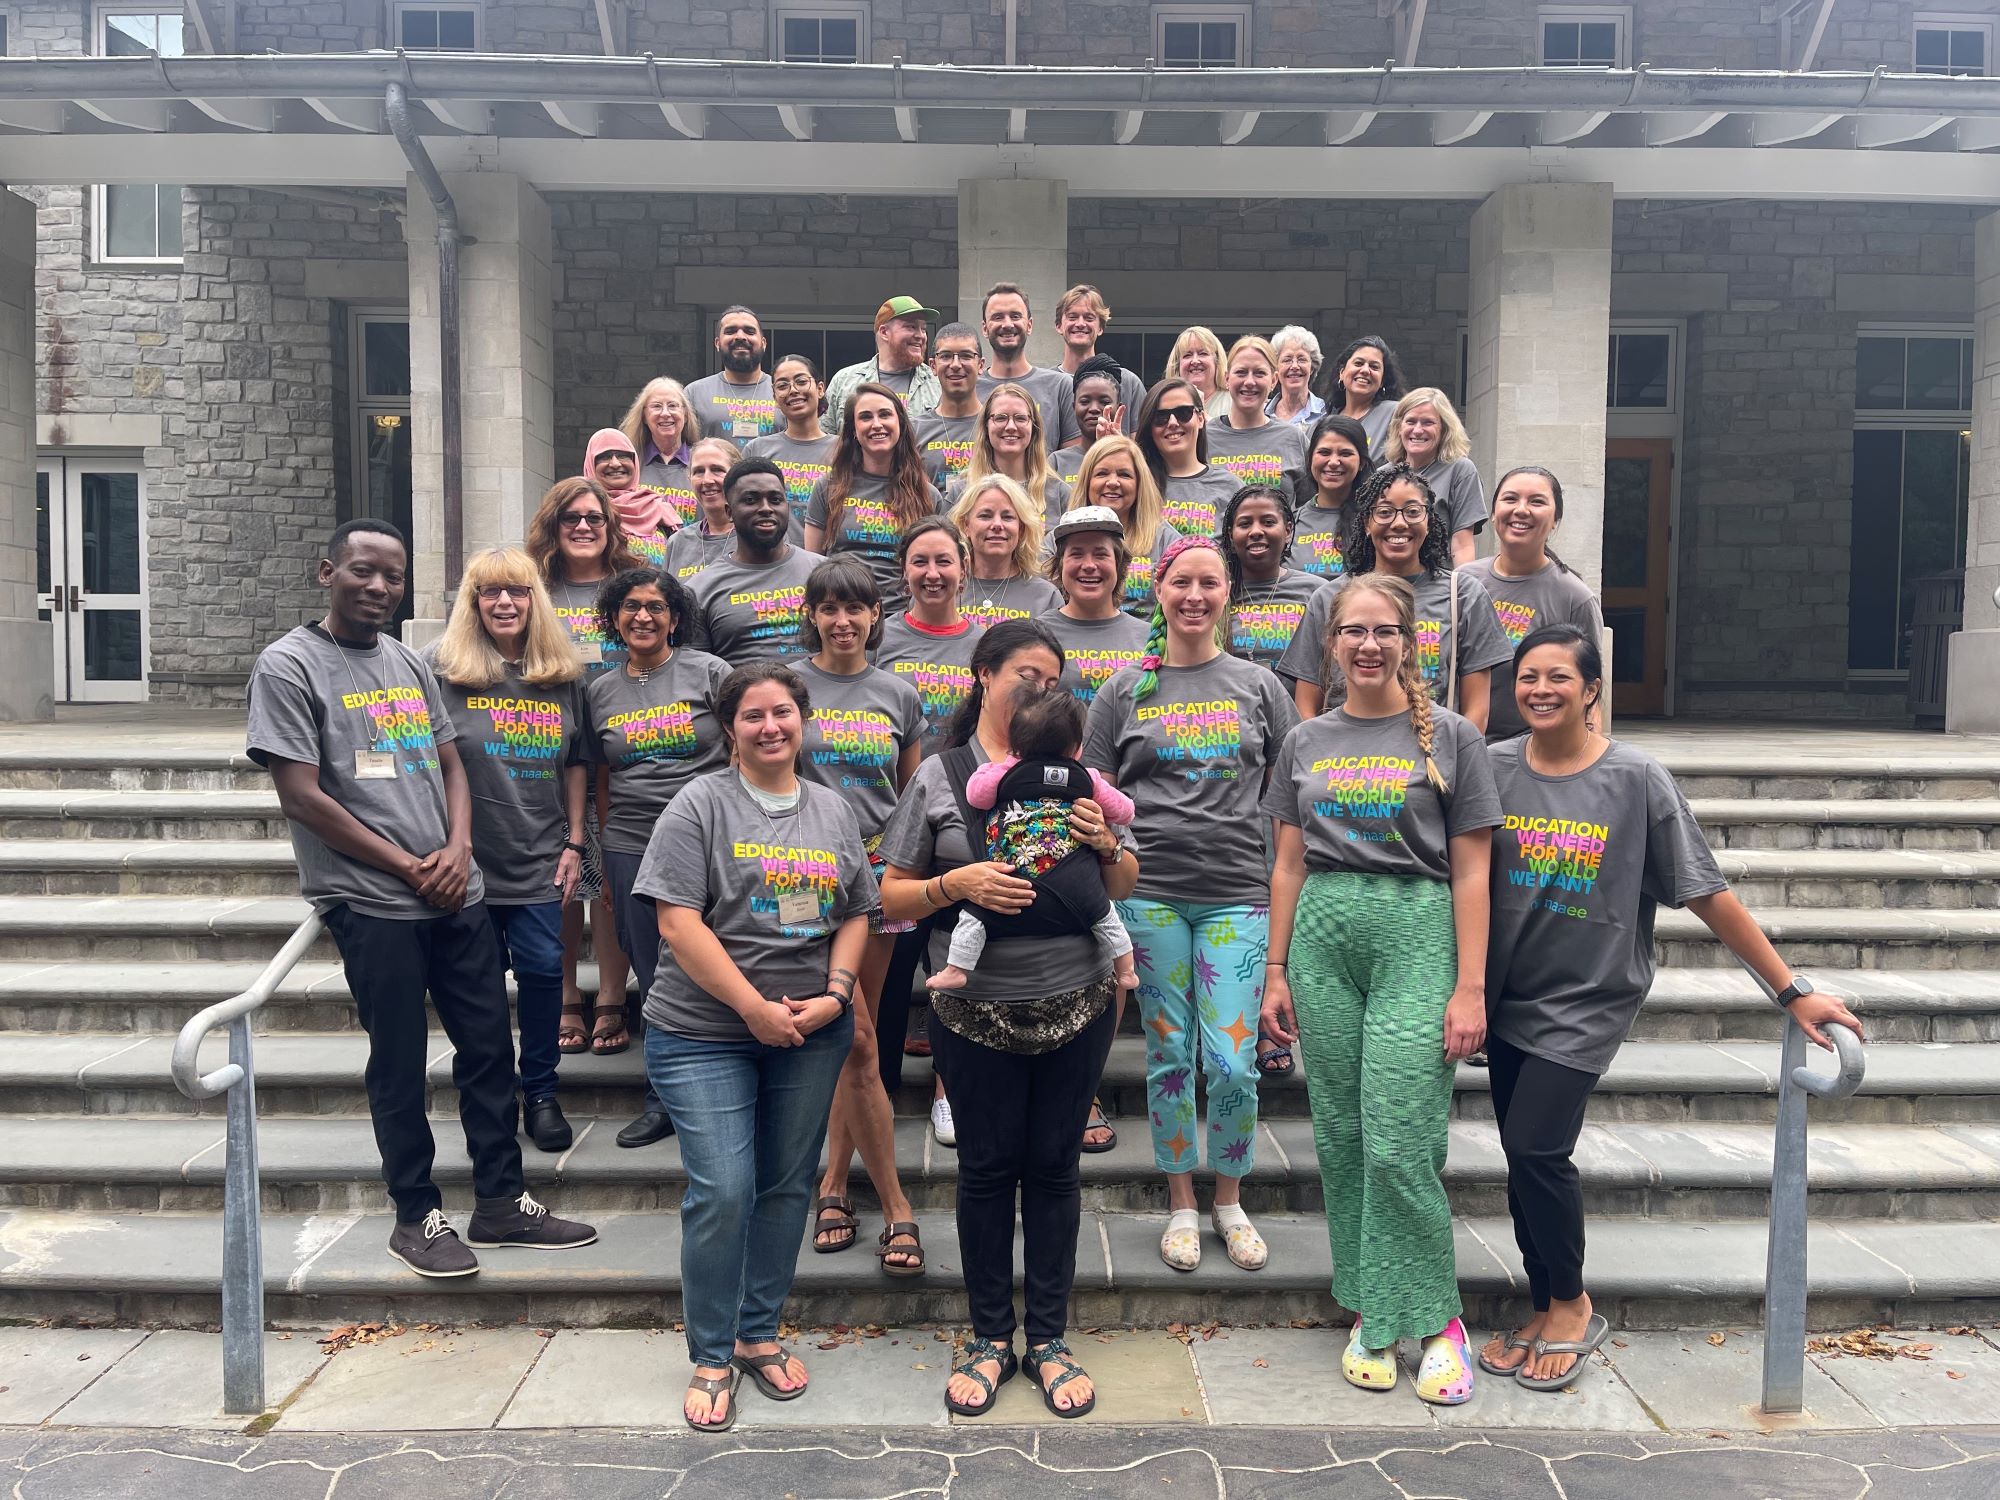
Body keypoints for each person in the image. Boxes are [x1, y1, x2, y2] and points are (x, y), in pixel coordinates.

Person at [1479, 624, 1863, 1392]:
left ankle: (1572, 1302)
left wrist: (1789, 990)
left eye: (1559, 677)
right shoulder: (1491, 769)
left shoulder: (1636, 779)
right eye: (1528, 678)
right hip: (1505, 995)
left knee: (1537, 1148)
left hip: (1587, 998)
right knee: (1523, 1159)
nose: (1541, 690)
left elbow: (1705, 892)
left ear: (1592, 689)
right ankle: (1546, 1297)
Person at [246, 519, 596, 1278]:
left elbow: (452, 764)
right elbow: (302, 797)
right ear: (327, 570)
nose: (377, 586)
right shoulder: (289, 666)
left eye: (392, 577)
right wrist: (409, 866)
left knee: (486, 1052)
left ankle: (502, 1202)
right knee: (399, 1061)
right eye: (363, 571)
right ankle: (417, 1212)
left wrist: (459, 848)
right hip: (373, 902)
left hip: (455, 891)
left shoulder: (409, 660)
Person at [877, 620, 1139, 1420]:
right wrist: (960, 886)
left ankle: (1050, 1338)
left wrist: (1105, 842)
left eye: (1051, 677)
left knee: (1056, 1167)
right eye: (1025, 673)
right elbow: (889, 895)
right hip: (973, 1009)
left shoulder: (1079, 777)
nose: (1037, 687)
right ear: (984, 674)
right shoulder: (943, 777)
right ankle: (991, 1337)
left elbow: (1124, 883)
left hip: (1079, 1001)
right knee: (987, 1170)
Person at [1259, 572, 1500, 1406]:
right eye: (1352, 631)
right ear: (1330, 644)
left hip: (1415, 928)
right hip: (1323, 931)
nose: (1368, 645)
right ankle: (1370, 1306)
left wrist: (1469, 986)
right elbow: (1287, 862)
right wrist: (1276, 970)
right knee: (1341, 1133)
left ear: (1410, 641)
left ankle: (1437, 1320)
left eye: (1383, 631)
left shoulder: (1455, 738)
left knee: (1401, 1135)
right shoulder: (1305, 740)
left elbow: (1473, 871)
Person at [635, 661, 876, 1431]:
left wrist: (837, 994)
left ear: (803, 720)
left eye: (783, 713)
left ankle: (758, 1332)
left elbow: (854, 910)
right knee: (725, 1187)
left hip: (810, 1029)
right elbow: (676, 922)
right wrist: (752, 1010)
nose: (771, 727)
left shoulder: (834, 811)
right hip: (703, 1031)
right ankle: (711, 1350)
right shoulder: (698, 804)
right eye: (753, 716)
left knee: (784, 1184)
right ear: (728, 728)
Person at [1084, 536, 1298, 1273]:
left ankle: (1230, 1200)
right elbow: (1094, 793)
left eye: (1210, 582)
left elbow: (1291, 799)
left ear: (1227, 593)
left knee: (1234, 1061)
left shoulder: (1259, 685)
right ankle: (1181, 1201)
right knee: (1171, 1054)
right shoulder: (1123, 689)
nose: (1195, 596)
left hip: (1238, 892)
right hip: (1151, 894)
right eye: (1182, 582)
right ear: (1159, 590)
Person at [424, 548, 588, 1154]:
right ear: (472, 602)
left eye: (516, 591)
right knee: (480, 984)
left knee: (546, 971)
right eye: (489, 592)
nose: (504, 602)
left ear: (534, 600)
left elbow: (576, 764)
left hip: (540, 854)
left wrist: (575, 841)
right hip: (468, 863)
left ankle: (540, 1091)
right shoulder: (438, 672)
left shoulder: (561, 675)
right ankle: (491, 1091)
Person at [795, 557, 928, 1279]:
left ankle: (836, 1185)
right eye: (829, 607)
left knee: (859, 1037)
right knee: (855, 1038)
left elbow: (911, 794)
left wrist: (903, 871)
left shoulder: (898, 692)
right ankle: (856, 1190)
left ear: (877, 616)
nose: (843, 620)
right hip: (799, 881)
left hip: (878, 881)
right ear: (811, 614)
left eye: (857, 608)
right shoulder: (789, 687)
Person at [581, 565, 732, 1148]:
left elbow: (743, 743)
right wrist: (607, 852)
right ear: (614, 618)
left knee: (719, 957)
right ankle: (662, 1098)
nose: (643, 616)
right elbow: (600, 779)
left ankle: (731, 1081)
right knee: (653, 971)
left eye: (655, 606)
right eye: (630, 607)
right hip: (632, 842)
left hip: (709, 836)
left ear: (675, 616)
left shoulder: (709, 671)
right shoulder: (599, 690)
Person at [527, 476, 638, 1056]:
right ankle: (570, 991)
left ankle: (613, 995)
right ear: (553, 525)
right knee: (566, 880)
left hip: (622, 754)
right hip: (553, 756)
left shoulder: (629, 586)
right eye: (571, 517)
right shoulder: (534, 590)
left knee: (611, 881)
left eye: (595, 517)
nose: (584, 527)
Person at [932, 689, 1140, 995]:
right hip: (1076, 883)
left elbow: (975, 795)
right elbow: (1125, 811)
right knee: (1105, 915)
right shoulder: (1088, 778)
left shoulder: (1006, 770)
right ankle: (1126, 971)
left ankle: (956, 969)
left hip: (1012, 880)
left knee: (975, 915)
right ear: (1078, 749)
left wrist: (999, 766)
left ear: (1015, 744)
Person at [1276, 465, 1512, 731]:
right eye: (1384, 512)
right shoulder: (1329, 598)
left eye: (1412, 512)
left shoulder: (1464, 594)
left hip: (1433, 759)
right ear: (1366, 523)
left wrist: (1454, 760)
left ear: (1428, 520)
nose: (1399, 523)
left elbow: (1477, 711)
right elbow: (1306, 705)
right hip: (1345, 763)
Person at [1460, 466, 1607, 743]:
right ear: (1493, 513)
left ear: (1555, 520)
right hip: (1458, 745)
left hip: (1534, 751)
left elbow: (1590, 693)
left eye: (1536, 501)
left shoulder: (1575, 598)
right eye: (1510, 499)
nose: (1521, 510)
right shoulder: (1462, 583)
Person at [803, 380, 944, 611]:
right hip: (842, 616)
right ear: (854, 430)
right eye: (866, 417)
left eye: (885, 415)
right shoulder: (828, 487)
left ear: (900, 423)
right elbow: (812, 563)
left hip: (900, 616)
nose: (876, 424)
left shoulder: (927, 495)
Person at [686, 458, 823, 666]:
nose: (766, 508)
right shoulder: (699, 590)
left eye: (776, 500)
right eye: (751, 500)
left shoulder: (822, 572)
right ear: (729, 512)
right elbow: (696, 673)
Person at [871, 517, 985, 760]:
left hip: (963, 786)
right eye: (920, 562)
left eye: (944, 561)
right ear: (904, 569)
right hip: (893, 788)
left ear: (963, 568)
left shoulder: (986, 644)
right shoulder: (876, 638)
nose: (932, 573)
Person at [1040, 505, 1152, 710]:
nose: (1089, 565)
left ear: (1118, 564)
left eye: (1100, 554)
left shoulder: (1150, 638)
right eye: (1076, 554)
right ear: (1060, 564)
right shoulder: (1036, 634)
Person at [1223, 484, 1328, 672]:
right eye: (1245, 524)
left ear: (1287, 531)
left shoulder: (1318, 592)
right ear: (1231, 535)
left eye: (1268, 522)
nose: (1256, 531)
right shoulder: (1217, 592)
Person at [1074, 432, 1177, 618]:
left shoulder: (1166, 540)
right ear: (1087, 482)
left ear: (1139, 484)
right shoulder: (1062, 538)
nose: (1113, 482)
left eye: (1124, 474)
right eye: (1102, 473)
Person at [1380, 387, 1486, 565]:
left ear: (1444, 429)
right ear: (1399, 427)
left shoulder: (1460, 470)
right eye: (1411, 421)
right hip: (1390, 583)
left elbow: (1462, 545)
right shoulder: (1382, 475)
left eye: (1428, 423)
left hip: (1439, 583)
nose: (1418, 430)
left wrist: (1462, 588)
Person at [947, 381, 1069, 531]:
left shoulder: (1059, 493)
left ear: (1034, 426)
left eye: (1020, 418)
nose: (1011, 427)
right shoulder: (961, 491)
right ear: (986, 426)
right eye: (1000, 418)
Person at [977, 281, 1081, 456]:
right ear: (985, 328)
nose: (1007, 324)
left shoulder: (1061, 387)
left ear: (1029, 325)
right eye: (997, 317)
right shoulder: (970, 388)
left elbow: (1071, 463)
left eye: (1016, 316)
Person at [952, 474, 1065, 630]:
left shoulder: (1045, 596)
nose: (997, 525)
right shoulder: (945, 587)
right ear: (966, 525)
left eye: (1007, 517)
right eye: (985, 516)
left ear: (1021, 528)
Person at [1135, 378, 1239, 542]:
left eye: (1183, 413)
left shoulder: (1231, 486)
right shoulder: (1136, 484)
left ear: (1200, 418)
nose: (1172, 423)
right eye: (1160, 417)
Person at [1205, 336, 1309, 497]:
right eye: (1241, 372)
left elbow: (1308, 506)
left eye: (1259, 373)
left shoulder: (1293, 438)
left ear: (1274, 380)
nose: (1249, 381)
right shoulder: (1202, 437)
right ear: (1227, 379)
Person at [745, 353, 836, 535]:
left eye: (801, 381)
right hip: (770, 558)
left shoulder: (843, 449)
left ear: (820, 389)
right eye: (782, 385)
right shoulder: (756, 450)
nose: (793, 390)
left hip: (828, 560)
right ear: (774, 397)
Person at [825, 294, 942, 431]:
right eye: (911, 327)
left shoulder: (937, 382)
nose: (921, 336)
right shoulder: (844, 380)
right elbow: (825, 439)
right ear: (884, 332)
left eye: (923, 329)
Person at [1053, 284, 1148, 434]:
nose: (1080, 323)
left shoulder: (1128, 382)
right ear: (1058, 325)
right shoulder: (1049, 384)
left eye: (1089, 318)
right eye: (1072, 317)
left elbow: (1141, 443)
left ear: (1101, 328)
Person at [585, 427, 677, 572]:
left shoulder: (658, 507)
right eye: (604, 456)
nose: (615, 463)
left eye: (623, 455)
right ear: (591, 464)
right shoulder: (584, 513)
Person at [684, 305, 779, 443]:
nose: (740, 336)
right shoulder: (694, 393)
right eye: (730, 331)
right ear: (717, 343)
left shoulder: (782, 391)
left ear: (763, 343)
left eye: (749, 331)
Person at [1294, 414, 1372, 581]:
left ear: (1362, 462)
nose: (1334, 461)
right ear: (1310, 460)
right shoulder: (1292, 522)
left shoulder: (1375, 520)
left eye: (1345, 454)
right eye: (1324, 452)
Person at [618, 378, 700, 528]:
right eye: (656, 406)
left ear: (686, 414)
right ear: (644, 416)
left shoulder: (702, 462)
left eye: (673, 406)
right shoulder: (629, 463)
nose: (665, 413)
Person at [914, 322, 985, 489]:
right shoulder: (914, 429)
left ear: (980, 365)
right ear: (932, 365)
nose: (955, 364)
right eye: (945, 356)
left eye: (966, 356)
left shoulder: (997, 425)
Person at [665, 436, 744, 585]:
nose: (707, 480)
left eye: (717, 470)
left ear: (737, 477)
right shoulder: (677, 542)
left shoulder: (757, 536)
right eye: (699, 471)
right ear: (689, 479)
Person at [1055, 352, 1129, 481]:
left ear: (1118, 407)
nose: (1094, 409)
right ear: (1074, 407)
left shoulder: (1132, 460)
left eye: (1104, 402)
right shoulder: (1058, 462)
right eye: (1084, 401)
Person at [1328, 335, 1405, 454]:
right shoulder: (1325, 421)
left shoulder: (1395, 413)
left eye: (1374, 367)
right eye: (1358, 363)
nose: (1365, 370)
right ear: (1342, 373)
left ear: (1382, 381)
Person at [1164, 325, 1229, 419]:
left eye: (1203, 353)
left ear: (1217, 361)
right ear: (1177, 365)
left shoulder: (1235, 401)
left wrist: (1201, 413)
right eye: (1187, 355)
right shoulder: (1165, 403)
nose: (1195, 361)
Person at [1269, 325, 1327, 426]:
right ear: (1276, 368)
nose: (1295, 366)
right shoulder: (1262, 415)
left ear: (1312, 368)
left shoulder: (1326, 413)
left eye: (1302, 359)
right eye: (1287, 360)